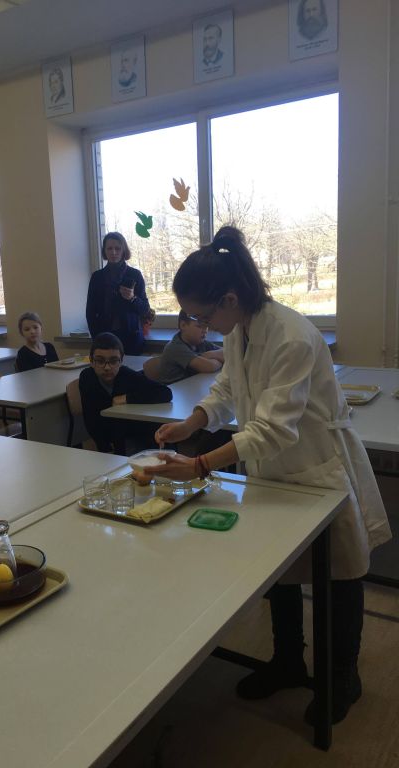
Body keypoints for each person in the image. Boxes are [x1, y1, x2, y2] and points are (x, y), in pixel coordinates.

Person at [146, 226, 391, 725]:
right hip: (273, 470)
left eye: (202, 315)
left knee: (338, 575)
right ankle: (287, 661)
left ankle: (343, 675)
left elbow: (274, 428)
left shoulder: (291, 336)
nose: (201, 326)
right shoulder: (239, 330)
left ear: (230, 299)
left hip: (316, 469)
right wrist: (192, 423)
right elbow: (226, 391)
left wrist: (199, 465)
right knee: (281, 572)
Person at [79, 332, 172, 454]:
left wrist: (127, 398)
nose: (107, 367)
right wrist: (104, 447)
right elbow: (91, 419)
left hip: (131, 434)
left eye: (113, 361)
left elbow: (165, 393)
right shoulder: (87, 378)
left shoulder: (126, 375)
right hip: (106, 436)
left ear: (121, 361)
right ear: (91, 361)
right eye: (100, 361)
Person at [86, 232, 150, 355]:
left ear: (123, 250)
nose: (113, 252)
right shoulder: (97, 277)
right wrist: (96, 337)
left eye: (117, 248)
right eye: (109, 248)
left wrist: (132, 298)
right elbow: (90, 312)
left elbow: (145, 309)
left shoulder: (135, 275)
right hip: (104, 337)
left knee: (131, 368)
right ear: (104, 251)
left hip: (132, 338)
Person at [152, 310, 224, 385]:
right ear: (183, 325)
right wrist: (218, 359)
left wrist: (209, 354)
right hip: (175, 389)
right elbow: (209, 366)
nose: (205, 331)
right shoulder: (175, 347)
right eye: (199, 326)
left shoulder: (200, 342)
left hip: (192, 385)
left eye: (206, 326)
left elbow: (226, 352)